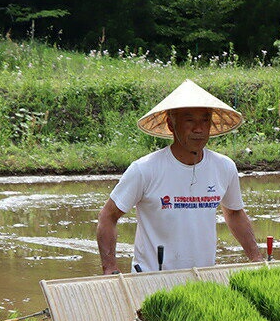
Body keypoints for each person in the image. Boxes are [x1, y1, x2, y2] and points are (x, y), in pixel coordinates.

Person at [97, 79, 262, 273]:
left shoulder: (224, 167)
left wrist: (256, 258)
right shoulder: (145, 169)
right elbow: (108, 216)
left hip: (203, 279)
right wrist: (110, 268)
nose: (198, 129)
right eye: (189, 120)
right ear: (171, 124)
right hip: (151, 278)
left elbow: (234, 213)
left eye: (205, 120)